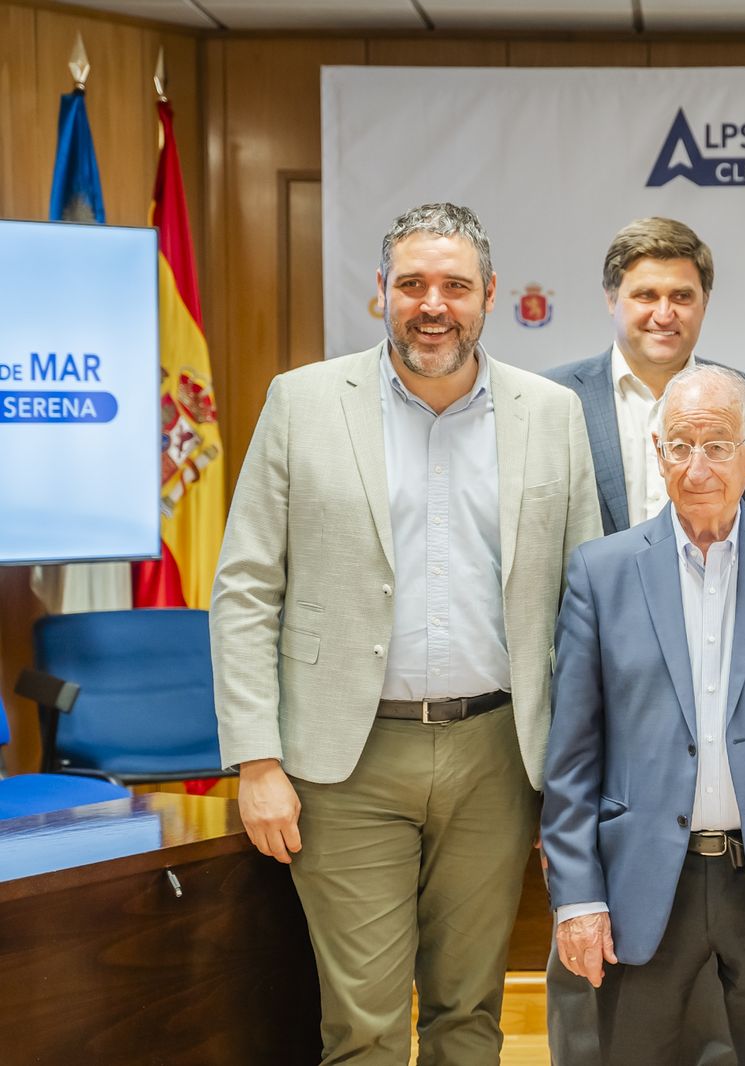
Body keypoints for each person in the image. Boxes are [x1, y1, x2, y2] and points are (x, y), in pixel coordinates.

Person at [211, 202, 601, 1064]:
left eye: (455, 286)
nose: (433, 305)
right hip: (345, 764)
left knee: (470, 1015)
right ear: (380, 292)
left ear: (489, 295)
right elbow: (245, 588)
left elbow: (584, 610)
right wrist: (257, 759)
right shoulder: (301, 402)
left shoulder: (551, 413)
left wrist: (575, 778)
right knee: (365, 1026)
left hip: (499, 758)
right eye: (413, 284)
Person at [541, 364, 745, 1066]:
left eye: (718, 445)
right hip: (641, 887)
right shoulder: (600, 572)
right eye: (680, 445)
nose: (698, 467)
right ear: (657, 452)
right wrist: (576, 898)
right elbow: (572, 756)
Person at [545, 216, 745, 535]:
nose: (664, 315)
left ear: (705, 302)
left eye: (681, 296)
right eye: (646, 295)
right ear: (611, 299)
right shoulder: (554, 397)